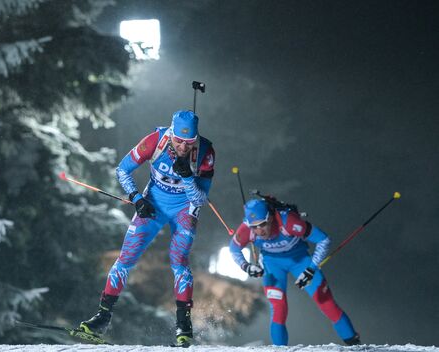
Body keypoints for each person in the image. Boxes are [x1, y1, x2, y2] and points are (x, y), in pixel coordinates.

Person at [78, 110, 215, 346]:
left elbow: (201, 200)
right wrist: (136, 198)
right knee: (126, 258)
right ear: (171, 133)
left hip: (185, 209)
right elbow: (122, 169)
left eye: (189, 142)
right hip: (153, 204)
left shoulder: (205, 152)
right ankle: (102, 318)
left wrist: (188, 178)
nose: (183, 147)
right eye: (179, 140)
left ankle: (183, 328)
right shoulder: (156, 140)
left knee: (179, 261)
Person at [229, 198, 360, 346]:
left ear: (270, 218)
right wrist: (246, 266)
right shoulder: (246, 229)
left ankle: (354, 345)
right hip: (272, 265)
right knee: (278, 309)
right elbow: (233, 249)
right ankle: (280, 349)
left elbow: (323, 239)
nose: (259, 230)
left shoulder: (288, 222)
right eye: (254, 227)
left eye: (263, 224)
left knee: (325, 302)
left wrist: (311, 268)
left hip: (300, 261)